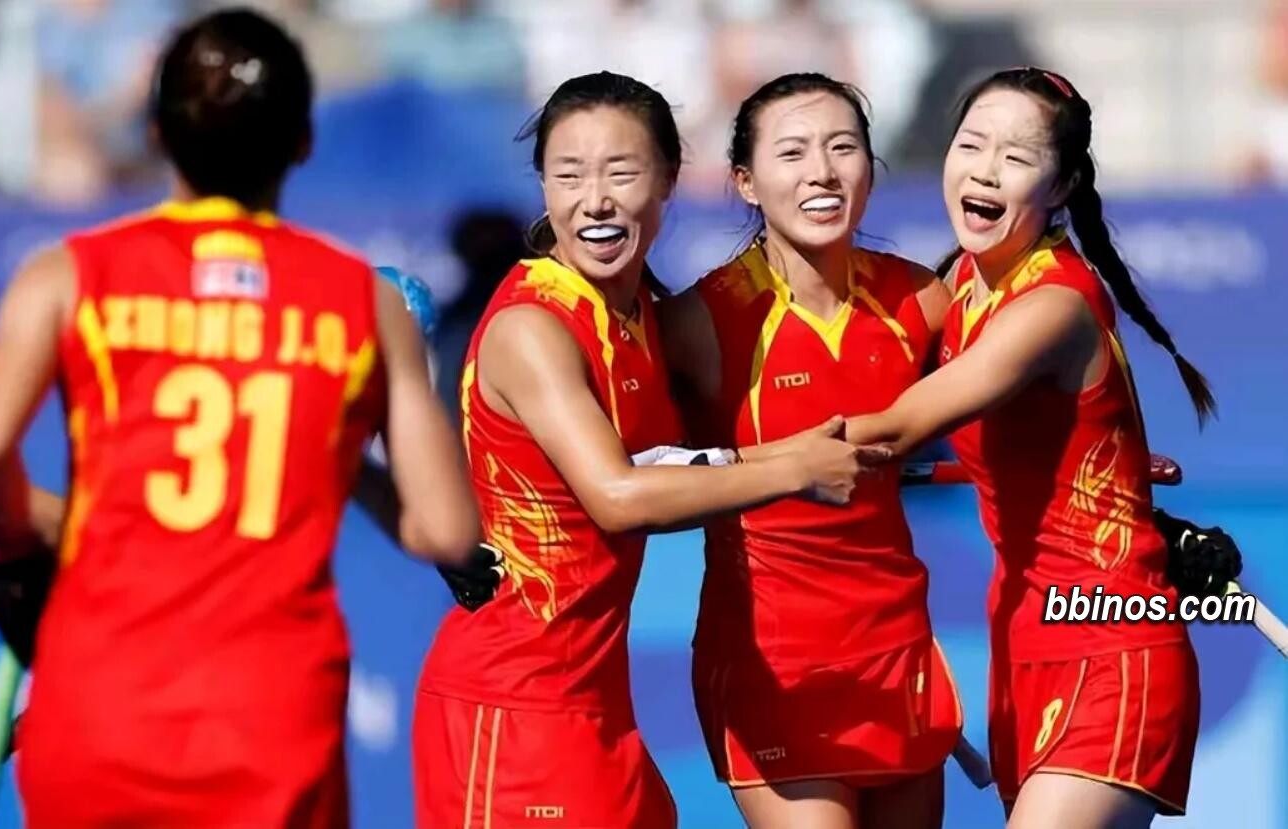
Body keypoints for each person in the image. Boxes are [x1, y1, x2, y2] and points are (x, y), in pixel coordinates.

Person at [0, 9, 479, 827]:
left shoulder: (67, 274)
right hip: (270, 720)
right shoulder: (362, 299)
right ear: (302, 141)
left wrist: (21, 543)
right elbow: (446, 530)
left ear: (156, 133)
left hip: (100, 707)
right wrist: (336, 444)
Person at [403, 71, 872, 829]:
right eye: (569, 175)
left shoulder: (641, 312)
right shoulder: (533, 328)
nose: (595, 199)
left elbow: (667, 465)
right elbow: (618, 496)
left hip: (594, 703)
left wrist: (797, 452)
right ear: (543, 187)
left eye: (621, 172)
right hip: (512, 706)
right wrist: (793, 469)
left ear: (667, 181)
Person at [844, 67, 1213, 829]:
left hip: (1111, 637)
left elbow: (893, 429)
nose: (984, 169)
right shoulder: (957, 283)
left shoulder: (1052, 305)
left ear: (1062, 184)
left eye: (1015, 156)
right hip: (1019, 643)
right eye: (970, 144)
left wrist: (724, 468)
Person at [658, 73, 960, 829]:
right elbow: (628, 464)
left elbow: (1016, 419)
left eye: (842, 148)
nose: (821, 172)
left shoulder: (921, 299)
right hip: (772, 663)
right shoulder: (698, 321)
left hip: (898, 650)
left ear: (870, 170)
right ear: (745, 182)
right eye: (791, 153)